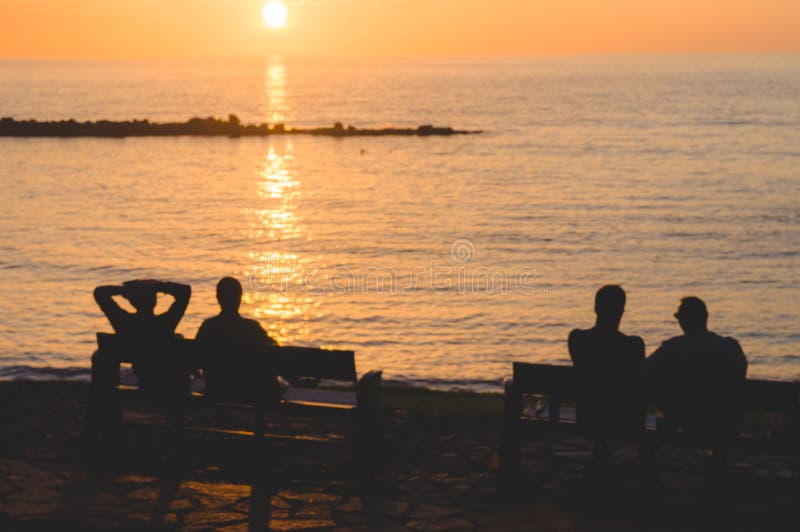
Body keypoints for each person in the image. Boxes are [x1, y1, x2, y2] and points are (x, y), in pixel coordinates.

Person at [644, 297, 747, 460]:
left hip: (681, 419)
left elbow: (644, 373)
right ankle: (717, 462)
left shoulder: (672, 349)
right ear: (706, 317)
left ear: (683, 321)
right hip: (722, 421)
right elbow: (740, 375)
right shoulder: (730, 347)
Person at [88, 279, 191, 435]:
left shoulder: (123, 322)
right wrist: (158, 286)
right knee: (178, 339)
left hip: (143, 377)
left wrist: (125, 290)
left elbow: (99, 293)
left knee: (98, 355)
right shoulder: (166, 324)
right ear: (155, 301)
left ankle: (103, 415)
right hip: (170, 386)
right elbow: (185, 292)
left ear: (132, 301)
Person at [568, 285, 646, 456]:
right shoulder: (634, 345)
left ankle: (600, 448)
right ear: (622, 311)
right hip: (624, 420)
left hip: (587, 417)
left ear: (596, 308)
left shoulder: (577, 339)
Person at [195, 277, 279, 402]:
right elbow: (275, 353)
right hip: (247, 392)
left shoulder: (208, 326)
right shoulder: (252, 328)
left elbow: (196, 358)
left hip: (215, 389)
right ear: (240, 298)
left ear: (218, 298)